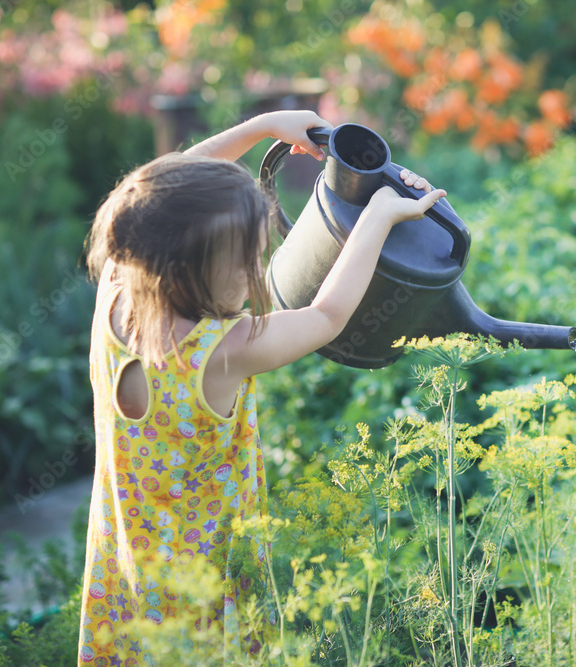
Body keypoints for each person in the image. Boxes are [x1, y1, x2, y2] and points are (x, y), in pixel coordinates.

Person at [78, 109, 445, 665]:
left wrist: (265, 127)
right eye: (246, 259)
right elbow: (326, 316)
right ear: (192, 272)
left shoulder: (120, 283)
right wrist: (378, 217)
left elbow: (149, 194)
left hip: (126, 568)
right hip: (203, 587)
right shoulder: (223, 351)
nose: (259, 264)